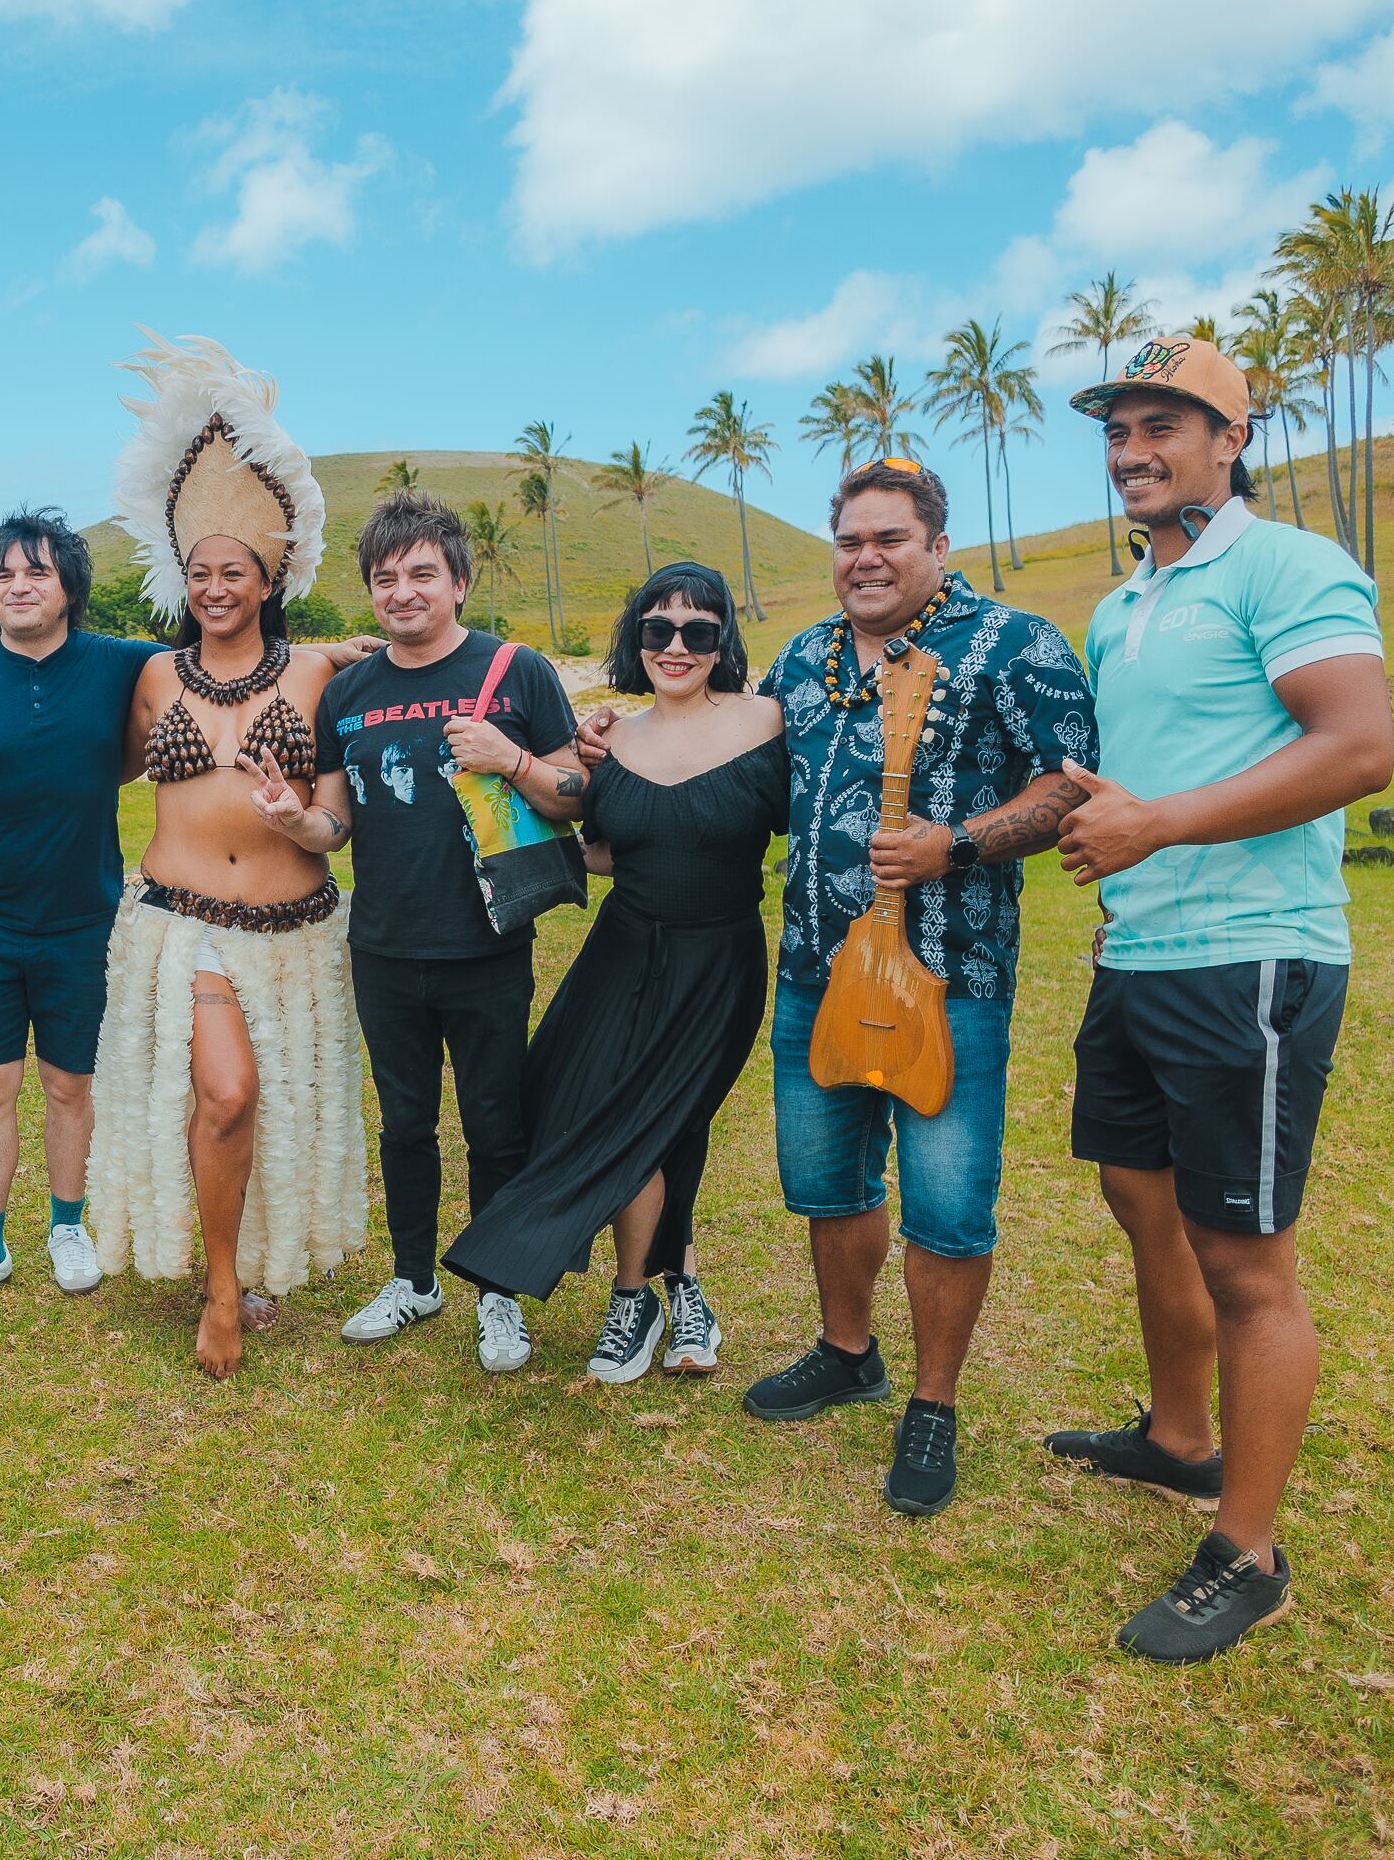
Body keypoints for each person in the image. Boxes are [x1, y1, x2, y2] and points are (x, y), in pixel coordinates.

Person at [586, 459, 1094, 1512]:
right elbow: (730, 759)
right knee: (827, 1180)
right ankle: (845, 1347)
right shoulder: (805, 658)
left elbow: (1068, 787)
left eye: (890, 539)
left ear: (937, 545)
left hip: (951, 975)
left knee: (949, 1204)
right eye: (851, 540)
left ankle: (934, 1402)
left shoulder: (1014, 643)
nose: (866, 558)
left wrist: (957, 844)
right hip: (815, 968)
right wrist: (611, 747)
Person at [1046, 335, 1392, 1661]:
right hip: (1139, 957)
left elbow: (1358, 746)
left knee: (1245, 1257)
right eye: (1119, 428)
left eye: (1163, 425)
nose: (1134, 449)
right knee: (1140, 1201)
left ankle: (1247, 1553)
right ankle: (1180, 1439)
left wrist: (1165, 825)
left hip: (1252, 956)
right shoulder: (1123, 602)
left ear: (1229, 440)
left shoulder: (1288, 567)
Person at [87, 336, 366, 1378]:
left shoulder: (324, 677)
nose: (214, 586)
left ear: (270, 575)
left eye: (233, 571)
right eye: (199, 571)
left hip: (296, 932)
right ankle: (216, 1290)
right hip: (185, 924)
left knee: (266, 1106)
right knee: (229, 1094)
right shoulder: (151, 676)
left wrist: (299, 821)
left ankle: (247, 1267)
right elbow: (92, 768)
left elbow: (338, 824)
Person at [258, 489, 586, 1374]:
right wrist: (293, 822)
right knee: (404, 1123)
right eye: (384, 578)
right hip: (385, 947)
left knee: (494, 1125)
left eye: (421, 575)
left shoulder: (518, 672)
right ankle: (413, 1279)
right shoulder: (349, 691)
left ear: (459, 583)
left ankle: (497, 1296)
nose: (402, 592)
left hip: (487, 945)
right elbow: (337, 824)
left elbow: (573, 798)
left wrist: (510, 759)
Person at [442, 563, 780, 1382]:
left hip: (719, 962)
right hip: (622, 954)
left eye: (698, 631)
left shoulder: (769, 721)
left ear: (722, 641)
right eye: (657, 628)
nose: (675, 645)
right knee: (599, 1107)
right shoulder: (614, 739)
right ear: (637, 637)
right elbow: (600, 852)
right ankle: (682, 1288)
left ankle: (635, 1299)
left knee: (657, 1117)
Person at [0, 510, 160, 1323]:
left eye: (37, 571)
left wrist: (333, 653)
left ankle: (67, 1226)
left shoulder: (123, 665)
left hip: (86, 920)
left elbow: (231, 663)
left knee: (70, 1081)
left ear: (69, 588)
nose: (18, 585)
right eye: (4, 573)